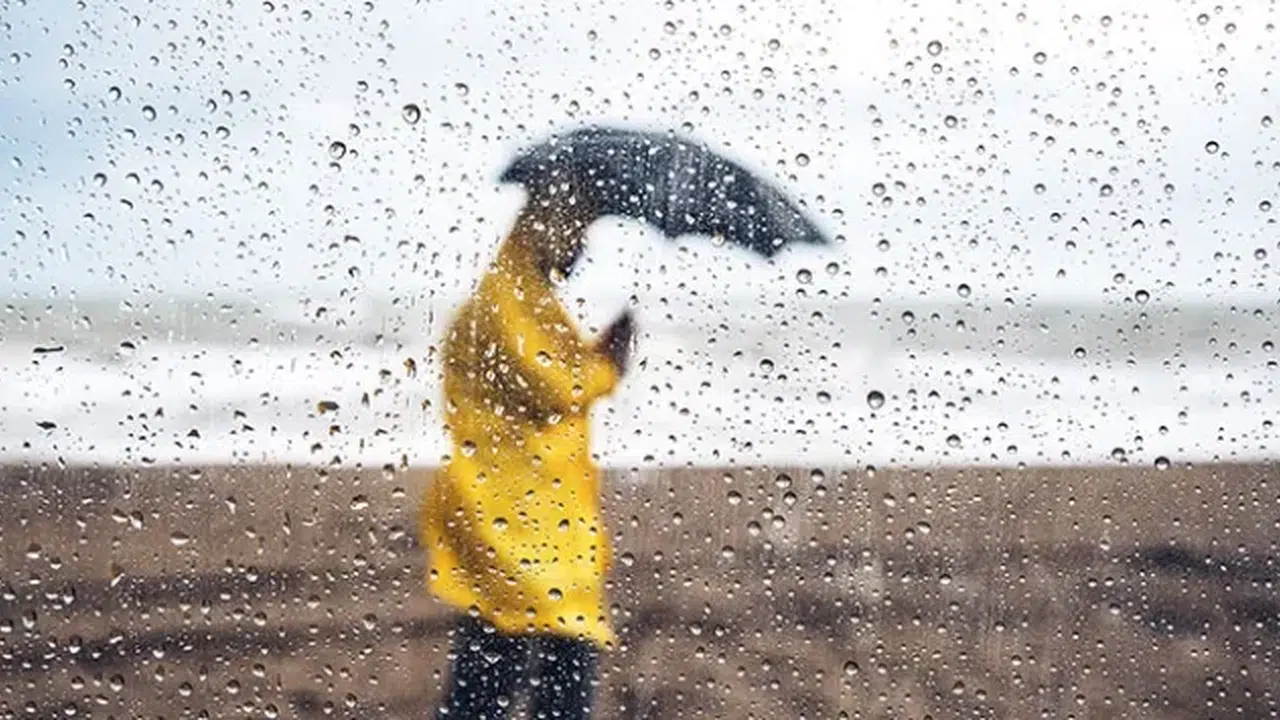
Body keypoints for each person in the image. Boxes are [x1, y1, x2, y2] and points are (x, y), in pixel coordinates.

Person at [420, 187, 635, 719]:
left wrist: (597, 353)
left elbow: (543, 382)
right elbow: (551, 386)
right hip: (508, 517)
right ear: (548, 227)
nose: (579, 245)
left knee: (522, 665)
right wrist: (609, 364)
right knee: (518, 668)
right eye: (575, 229)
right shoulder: (504, 299)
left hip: (539, 513)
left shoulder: (526, 298)